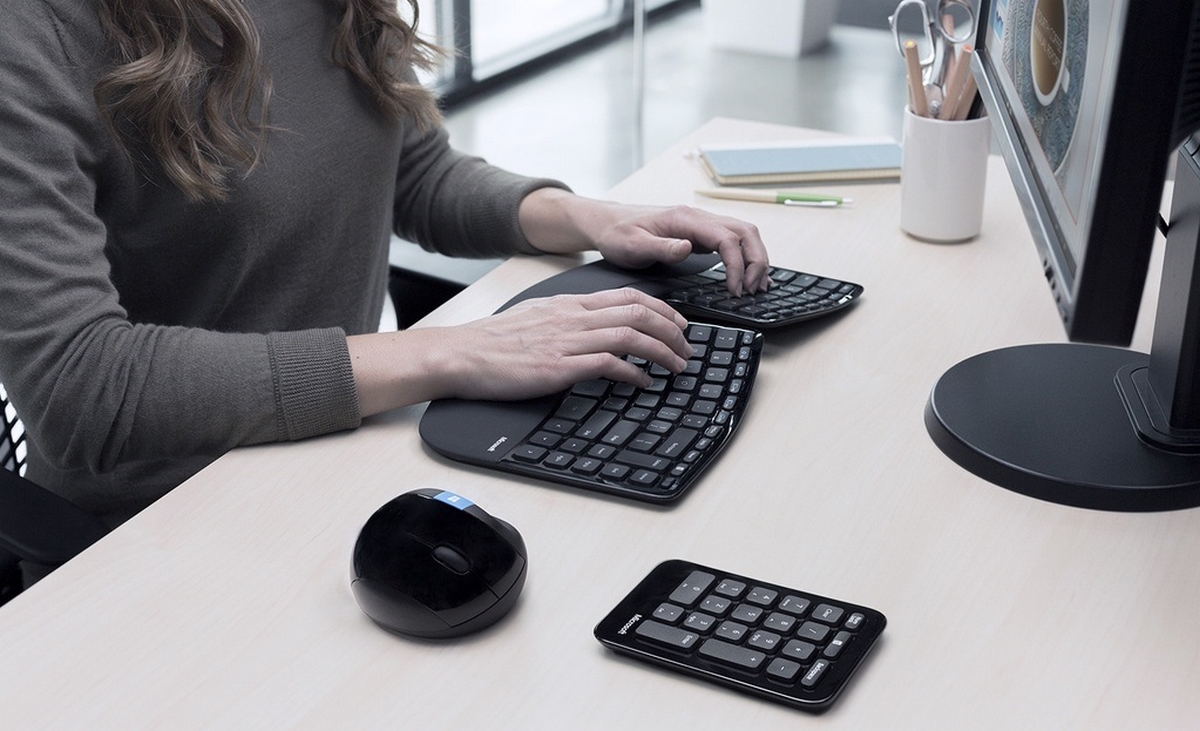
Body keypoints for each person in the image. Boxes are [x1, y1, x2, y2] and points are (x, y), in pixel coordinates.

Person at [0, 0, 771, 526]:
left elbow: (411, 172)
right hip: (163, 522)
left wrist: (591, 218)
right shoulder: (32, 33)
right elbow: (80, 385)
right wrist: (450, 351)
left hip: (342, 457)